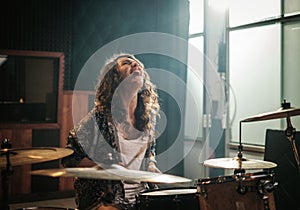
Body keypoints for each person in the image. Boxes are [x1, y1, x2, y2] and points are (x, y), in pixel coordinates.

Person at [61, 53, 161, 210]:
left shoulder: (147, 117)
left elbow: (150, 149)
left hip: (142, 197)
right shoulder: (99, 118)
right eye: (127, 63)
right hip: (105, 199)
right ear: (113, 78)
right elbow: (69, 158)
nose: (136, 64)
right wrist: (103, 166)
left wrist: (151, 165)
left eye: (138, 63)